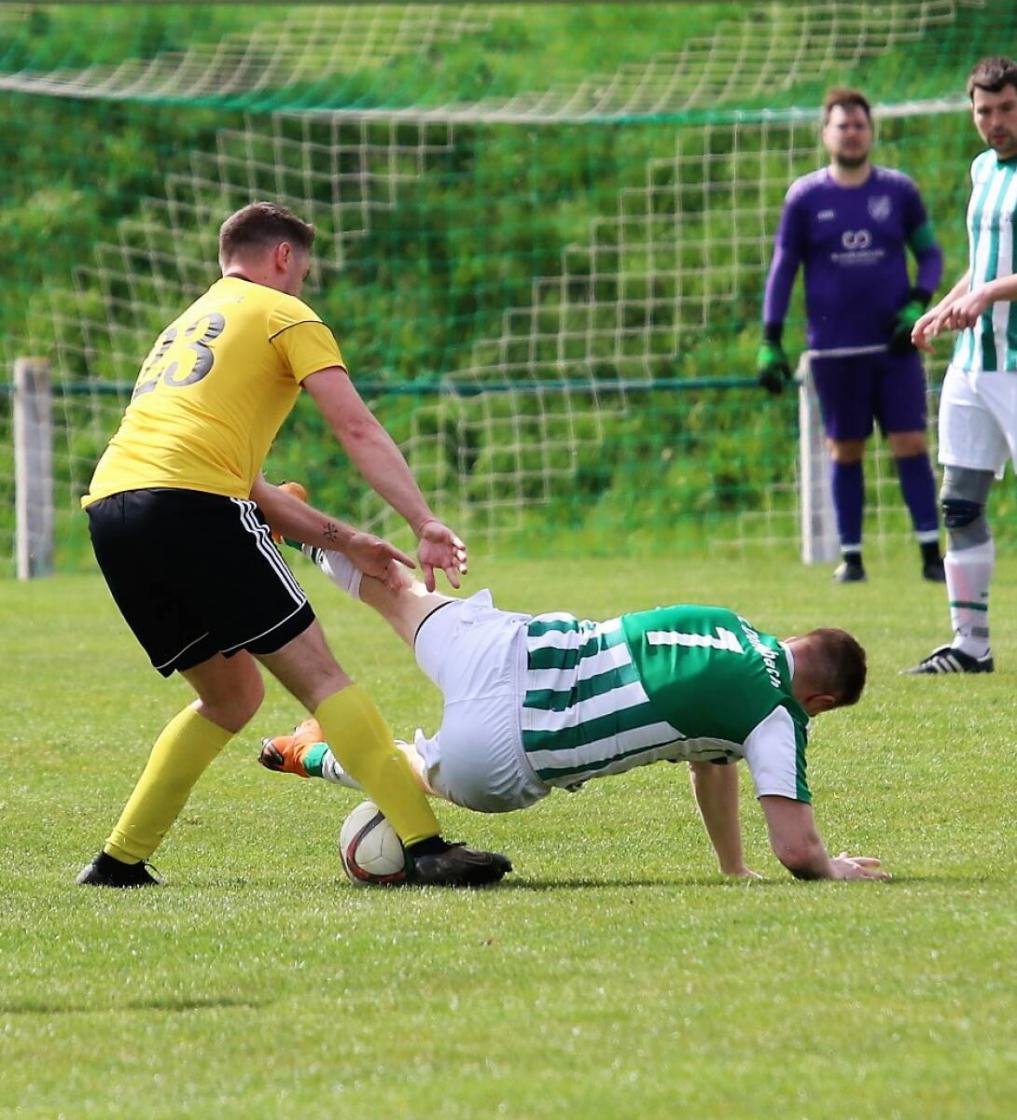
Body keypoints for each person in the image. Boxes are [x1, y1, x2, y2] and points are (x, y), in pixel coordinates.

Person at [76, 201, 511, 888]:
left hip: (113, 513)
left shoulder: (185, 327)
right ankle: (425, 845)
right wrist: (423, 520)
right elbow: (356, 428)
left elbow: (250, 486)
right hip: (194, 505)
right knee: (320, 677)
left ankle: (118, 861)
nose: (302, 286)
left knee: (230, 697)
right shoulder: (283, 313)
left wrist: (351, 540)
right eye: (302, 271)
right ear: (282, 258)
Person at [260, 527, 889, 883]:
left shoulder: (726, 624)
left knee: (395, 589)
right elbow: (797, 850)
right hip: (510, 748)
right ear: (821, 699)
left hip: (510, 648)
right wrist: (832, 869)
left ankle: (295, 527)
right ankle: (312, 754)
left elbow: (711, 760)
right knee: (415, 772)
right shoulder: (775, 710)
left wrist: (733, 868)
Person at [757, 87, 945, 584]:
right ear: (826, 134)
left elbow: (930, 255)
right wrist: (770, 339)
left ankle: (931, 553)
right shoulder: (805, 197)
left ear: (871, 131)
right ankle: (852, 557)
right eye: (842, 125)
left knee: (910, 441)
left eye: (860, 124)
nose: (852, 133)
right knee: (845, 449)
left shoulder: (898, 192)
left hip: (893, 345)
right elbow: (783, 268)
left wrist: (915, 304)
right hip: (833, 348)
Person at [906, 58, 1017, 674]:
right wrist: (945, 305)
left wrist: (990, 294)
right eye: (984, 111)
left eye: (1006, 108)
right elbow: (985, 260)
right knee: (960, 504)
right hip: (974, 365)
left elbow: (998, 279)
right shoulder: (982, 170)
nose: (995, 122)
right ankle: (970, 646)